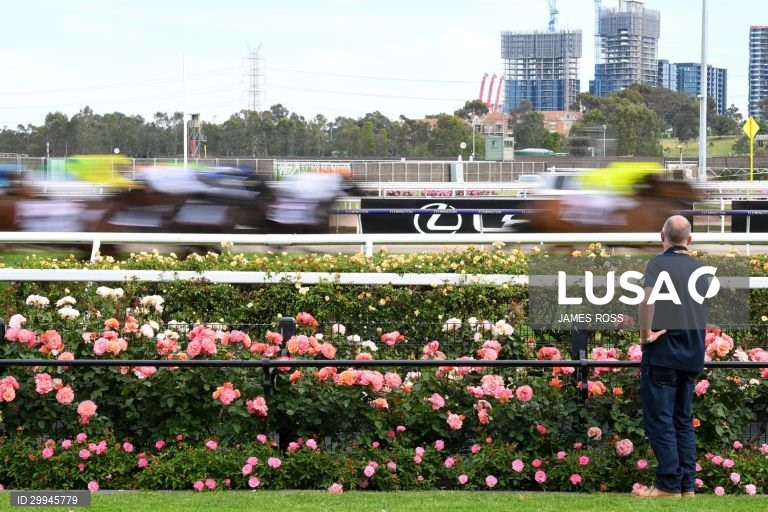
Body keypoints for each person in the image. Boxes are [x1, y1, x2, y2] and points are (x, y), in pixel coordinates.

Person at [631, 215, 709, 498]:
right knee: (682, 420)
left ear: (661, 237)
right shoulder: (701, 271)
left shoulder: (658, 264)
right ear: (689, 240)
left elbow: (647, 299)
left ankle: (666, 484)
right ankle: (686, 486)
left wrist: (645, 335)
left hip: (663, 353)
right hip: (691, 355)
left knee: (660, 419)